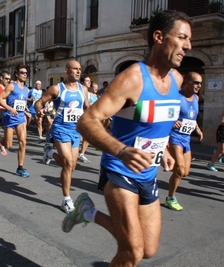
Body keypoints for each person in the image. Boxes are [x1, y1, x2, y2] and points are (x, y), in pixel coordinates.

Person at [61, 10, 191, 266]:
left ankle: (87, 212)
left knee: (148, 250)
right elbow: (86, 121)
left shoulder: (176, 79)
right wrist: (121, 151)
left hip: (148, 173)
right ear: (158, 37)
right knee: (132, 253)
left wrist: (163, 149)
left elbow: (155, 121)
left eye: (189, 40)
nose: (188, 46)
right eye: (182, 38)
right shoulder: (132, 79)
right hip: (120, 171)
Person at [35, 60, 90, 214]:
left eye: (80, 69)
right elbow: (39, 103)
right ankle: (66, 200)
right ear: (66, 71)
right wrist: (39, 110)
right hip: (60, 128)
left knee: (72, 166)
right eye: (75, 69)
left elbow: (87, 107)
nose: (78, 72)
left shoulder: (83, 89)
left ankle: (50, 152)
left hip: (75, 130)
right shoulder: (56, 89)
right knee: (67, 164)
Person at [164, 71, 204, 211]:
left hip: (186, 138)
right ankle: (170, 198)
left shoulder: (196, 98)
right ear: (186, 82)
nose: (199, 85)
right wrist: (172, 120)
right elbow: (165, 113)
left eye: (200, 83)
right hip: (174, 136)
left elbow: (192, 118)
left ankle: (166, 163)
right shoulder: (176, 97)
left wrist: (198, 129)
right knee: (180, 170)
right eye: (196, 82)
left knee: (184, 172)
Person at [0, 64, 30, 177]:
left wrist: (26, 110)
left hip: (21, 118)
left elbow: (22, 103)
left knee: (23, 142)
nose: (25, 75)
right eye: (22, 72)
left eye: (26, 73)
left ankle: (20, 167)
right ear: (17, 74)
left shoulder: (26, 89)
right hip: (10, 117)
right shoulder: (12, 86)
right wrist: (10, 108)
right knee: (8, 145)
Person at [78, 75, 93, 164]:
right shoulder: (82, 89)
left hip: (85, 115)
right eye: (87, 81)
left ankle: (81, 154)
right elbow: (86, 105)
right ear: (82, 82)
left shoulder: (88, 91)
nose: (89, 83)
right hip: (80, 115)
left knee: (87, 135)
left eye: (90, 81)